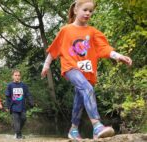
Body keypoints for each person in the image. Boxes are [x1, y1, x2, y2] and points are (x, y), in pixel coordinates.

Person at [41, 0, 132, 140]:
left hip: (87, 72)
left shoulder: (93, 32)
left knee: (80, 100)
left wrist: (118, 56)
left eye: (91, 11)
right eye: (85, 10)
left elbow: (104, 48)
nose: (88, 13)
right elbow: (54, 50)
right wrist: (46, 65)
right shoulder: (66, 30)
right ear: (76, 10)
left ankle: (73, 129)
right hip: (71, 67)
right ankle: (97, 126)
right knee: (87, 88)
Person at [5, 69, 34, 139]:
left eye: (18, 75)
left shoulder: (23, 85)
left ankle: (17, 132)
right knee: (17, 123)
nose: (17, 77)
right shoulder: (10, 85)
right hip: (14, 107)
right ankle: (18, 134)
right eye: (16, 75)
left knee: (24, 119)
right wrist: (7, 106)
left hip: (22, 107)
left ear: (20, 76)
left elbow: (28, 94)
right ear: (12, 76)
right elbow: (7, 97)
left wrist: (31, 101)